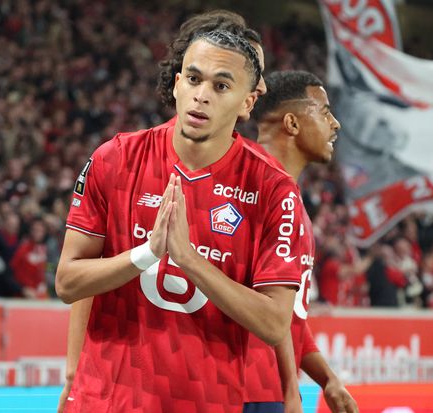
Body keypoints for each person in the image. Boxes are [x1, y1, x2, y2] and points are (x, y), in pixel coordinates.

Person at [55, 29, 305, 412]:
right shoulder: (115, 159)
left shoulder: (273, 189)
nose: (201, 95)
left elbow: (273, 324)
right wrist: (146, 254)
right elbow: (67, 282)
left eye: (221, 86)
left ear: (248, 102)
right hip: (107, 401)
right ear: (176, 85)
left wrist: (188, 259)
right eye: (193, 78)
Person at [249, 70, 358, 413]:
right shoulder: (252, 189)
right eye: (324, 112)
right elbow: (267, 308)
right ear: (292, 123)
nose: (335, 124)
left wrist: (327, 378)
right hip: (245, 389)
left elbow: (289, 314)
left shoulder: (289, 196)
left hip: (265, 387)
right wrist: (289, 390)